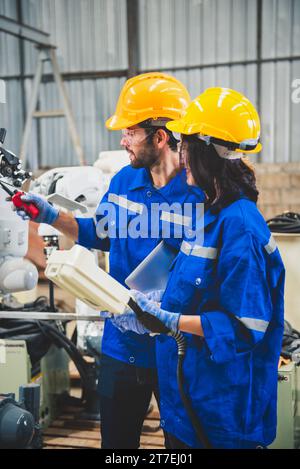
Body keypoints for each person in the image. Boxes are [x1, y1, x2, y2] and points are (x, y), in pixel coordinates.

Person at [14, 72, 204, 448]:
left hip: (177, 349)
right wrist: (50, 216)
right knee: (117, 446)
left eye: (130, 132)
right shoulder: (123, 182)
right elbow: (101, 233)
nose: (123, 140)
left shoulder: (199, 193)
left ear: (160, 137)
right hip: (122, 346)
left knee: (182, 446)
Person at [112, 87, 285, 449]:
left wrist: (169, 320)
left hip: (220, 409)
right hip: (187, 403)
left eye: (186, 145)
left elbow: (245, 325)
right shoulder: (210, 214)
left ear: (206, 152)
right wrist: (150, 301)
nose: (181, 154)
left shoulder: (240, 226)